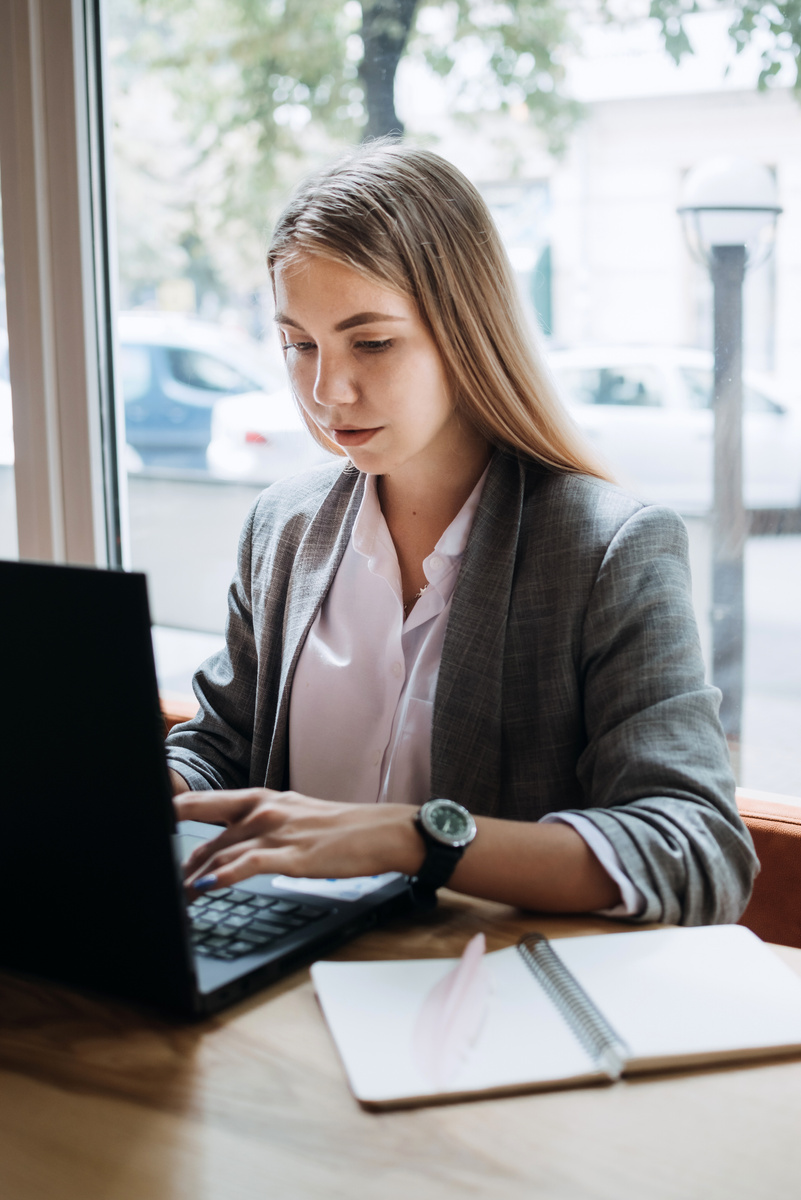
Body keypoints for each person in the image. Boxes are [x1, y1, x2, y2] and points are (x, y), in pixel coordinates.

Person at [167, 140, 757, 925]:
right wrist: (154, 790)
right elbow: (221, 745)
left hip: (480, 1005)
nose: (325, 390)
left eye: (370, 342)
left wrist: (414, 839)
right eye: (298, 345)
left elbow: (695, 850)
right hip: (280, 980)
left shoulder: (607, 550)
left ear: (465, 330)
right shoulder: (283, 526)